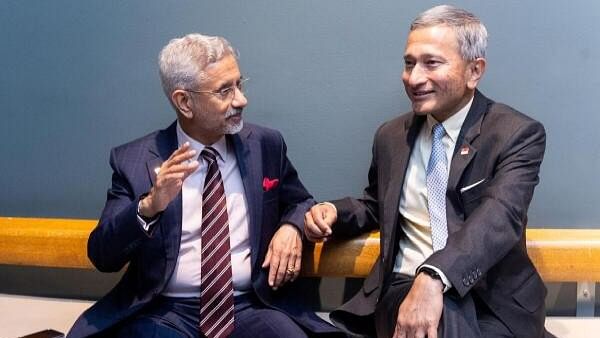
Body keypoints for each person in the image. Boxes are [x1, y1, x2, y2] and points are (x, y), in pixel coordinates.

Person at [68, 33, 340, 338]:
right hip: (165, 311)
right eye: (225, 90)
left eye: (239, 84)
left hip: (250, 306)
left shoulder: (265, 144)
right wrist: (149, 206)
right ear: (185, 102)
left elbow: (300, 201)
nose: (241, 100)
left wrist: (291, 226)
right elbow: (103, 255)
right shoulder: (133, 160)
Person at [305, 5, 552, 338]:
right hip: (403, 291)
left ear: (474, 71)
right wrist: (335, 211)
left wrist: (435, 275)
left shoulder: (515, 134)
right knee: (435, 322)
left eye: (431, 63)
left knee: (444, 318)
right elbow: (378, 205)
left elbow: (500, 216)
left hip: (490, 301)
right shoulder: (390, 137)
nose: (414, 78)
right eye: (409, 63)